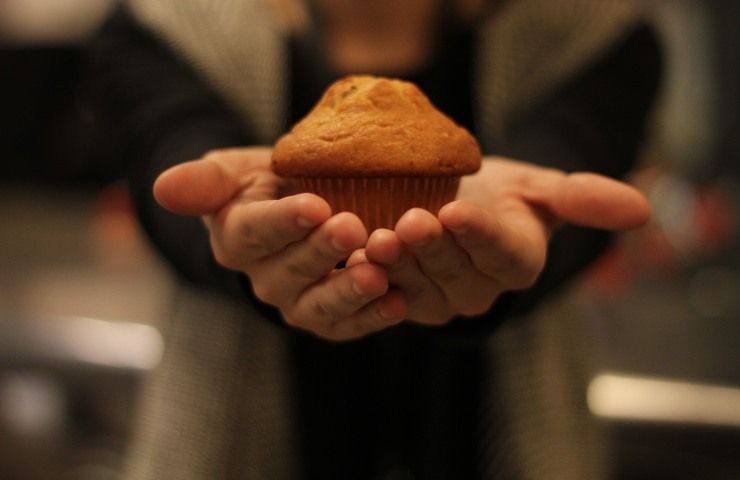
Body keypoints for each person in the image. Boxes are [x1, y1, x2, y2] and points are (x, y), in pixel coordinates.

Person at [90, 0, 662, 478]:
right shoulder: (163, 24)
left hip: (509, 439)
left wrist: (522, 248)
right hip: (229, 436)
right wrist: (236, 244)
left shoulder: (596, 29)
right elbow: (171, 169)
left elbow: (571, 164)